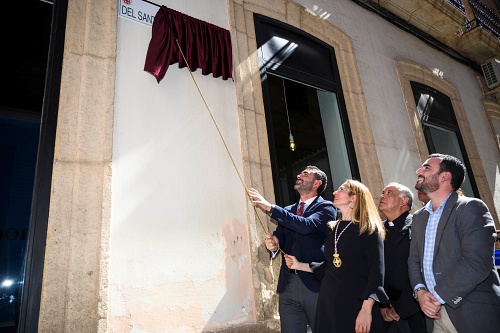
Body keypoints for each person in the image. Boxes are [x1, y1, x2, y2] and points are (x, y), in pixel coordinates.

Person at [409, 153, 500, 333]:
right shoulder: (419, 218)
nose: (419, 170)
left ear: (445, 176)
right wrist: (419, 292)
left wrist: (435, 297)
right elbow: (413, 260)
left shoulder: (471, 208)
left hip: (471, 312)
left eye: (427, 167)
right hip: (433, 317)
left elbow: (476, 263)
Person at [284, 179, 389, 333]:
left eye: (341, 189)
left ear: (353, 198)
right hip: (329, 304)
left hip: (356, 305)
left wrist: (366, 310)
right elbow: (329, 267)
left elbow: (376, 274)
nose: (334, 192)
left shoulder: (369, 230)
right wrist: (298, 265)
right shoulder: (334, 229)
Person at [248, 166, 336, 333]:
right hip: (288, 284)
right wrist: (273, 244)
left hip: (314, 283)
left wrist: (270, 208)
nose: (299, 175)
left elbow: (306, 226)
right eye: (300, 173)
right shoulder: (288, 210)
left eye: (305, 174)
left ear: (317, 183)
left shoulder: (327, 207)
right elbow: (279, 239)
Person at [378, 182, 426, 333]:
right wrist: (383, 305)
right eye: (383, 193)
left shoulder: (418, 226)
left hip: (414, 309)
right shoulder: (376, 231)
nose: (382, 196)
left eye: (389, 193)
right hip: (385, 313)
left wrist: (401, 307)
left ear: (404, 201)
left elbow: (423, 268)